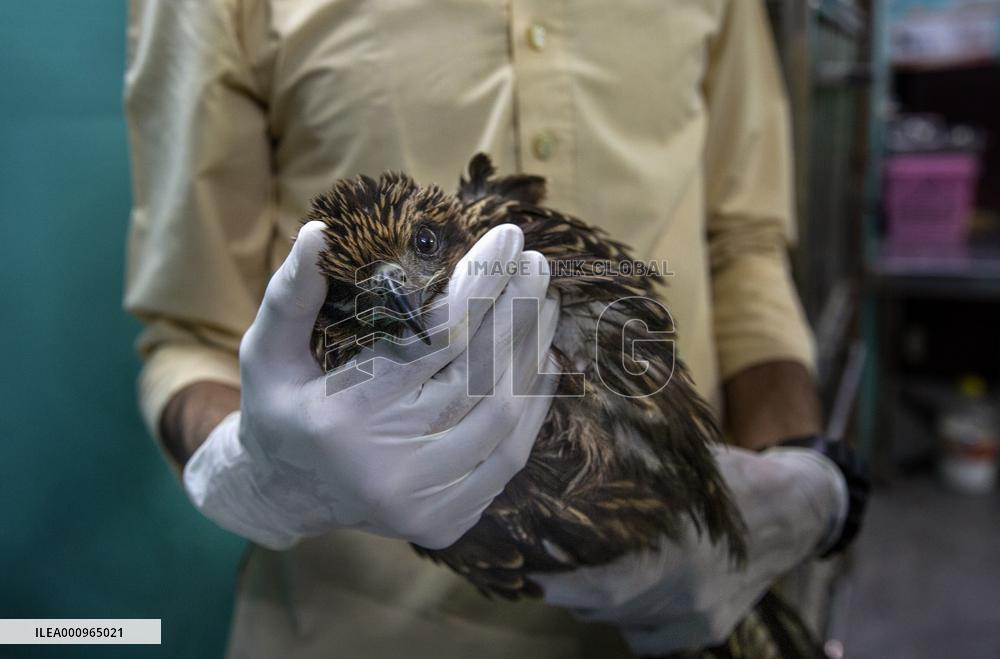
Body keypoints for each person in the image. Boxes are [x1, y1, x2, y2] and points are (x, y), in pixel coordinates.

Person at [124, 1, 859, 656]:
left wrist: (782, 487)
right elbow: (187, 334)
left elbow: (745, 247)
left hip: (693, 603)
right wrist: (259, 464)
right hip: (367, 629)